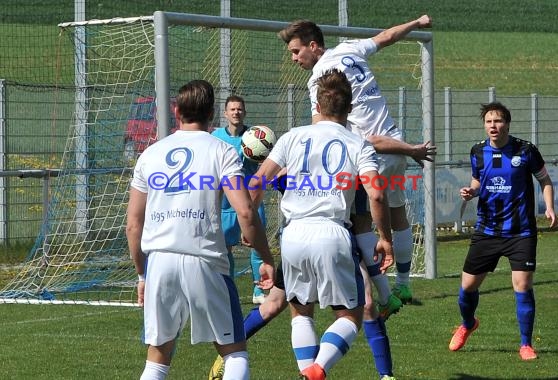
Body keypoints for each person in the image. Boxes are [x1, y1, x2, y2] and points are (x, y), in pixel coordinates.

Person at [279, 15, 433, 379]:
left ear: (314, 46)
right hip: (394, 144)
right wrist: (418, 21)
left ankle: (383, 292)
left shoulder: (320, 81)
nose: (294, 58)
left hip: (374, 153)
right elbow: (388, 34)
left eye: (296, 51)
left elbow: (330, 135)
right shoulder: (350, 48)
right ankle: (402, 285)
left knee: (360, 223)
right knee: (395, 214)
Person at [250, 69, 394, 379]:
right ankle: (317, 369)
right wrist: (384, 238)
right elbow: (377, 194)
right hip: (332, 231)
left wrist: (251, 227)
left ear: (317, 104)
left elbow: (256, 183)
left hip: (293, 233)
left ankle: (307, 372)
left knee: (301, 312)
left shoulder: (293, 137)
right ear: (350, 107)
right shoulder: (358, 144)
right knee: (352, 316)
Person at [126, 79, 275, 380]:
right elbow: (246, 211)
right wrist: (266, 257)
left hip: (160, 261)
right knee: (234, 352)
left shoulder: (150, 155)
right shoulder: (221, 151)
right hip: (206, 260)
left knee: (157, 357)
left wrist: (142, 275)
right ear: (212, 114)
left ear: (177, 111)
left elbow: (133, 225)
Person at [449, 102, 558, 361]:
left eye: (497, 121)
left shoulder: (526, 150)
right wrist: (471, 191)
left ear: (507, 123)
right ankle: (467, 324)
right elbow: (478, 179)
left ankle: (525, 345)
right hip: (487, 230)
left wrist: (550, 207)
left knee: (522, 285)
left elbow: (545, 180)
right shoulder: (477, 151)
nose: (493, 126)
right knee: (467, 288)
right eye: (488, 122)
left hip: (520, 232)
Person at [211, 95, 268, 304]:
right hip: (225, 201)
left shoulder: (256, 136)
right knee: (225, 248)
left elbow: (266, 165)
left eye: (240, 109)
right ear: (225, 113)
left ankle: (259, 290)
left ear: (245, 112)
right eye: (232, 109)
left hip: (251, 199)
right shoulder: (215, 136)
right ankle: (228, 288)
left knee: (257, 245)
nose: (236, 112)